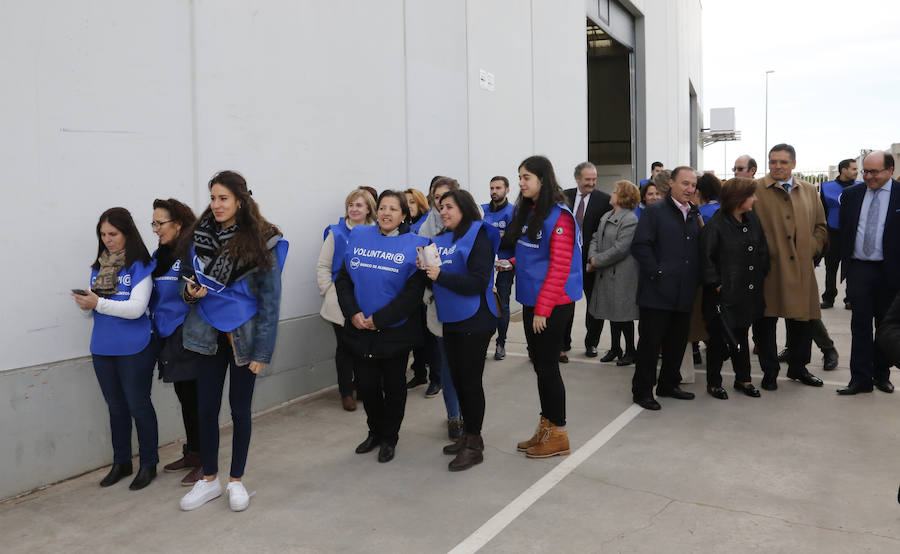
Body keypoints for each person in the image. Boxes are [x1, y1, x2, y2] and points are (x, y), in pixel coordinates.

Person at [178, 171, 288, 512]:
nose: (216, 204)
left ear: (240, 200)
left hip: (245, 336)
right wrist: (190, 293)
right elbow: (185, 283)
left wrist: (263, 351)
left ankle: (236, 481)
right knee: (207, 409)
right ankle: (209, 479)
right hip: (208, 333)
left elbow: (270, 301)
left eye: (223, 198)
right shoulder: (200, 236)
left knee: (240, 411)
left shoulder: (264, 239)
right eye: (212, 197)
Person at [335, 190, 428, 463]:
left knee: (394, 387)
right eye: (383, 207)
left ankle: (390, 437)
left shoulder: (417, 245)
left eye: (394, 209)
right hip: (359, 328)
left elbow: (413, 294)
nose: (386, 213)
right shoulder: (359, 236)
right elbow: (343, 280)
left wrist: (381, 318)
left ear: (403, 216)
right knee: (367, 386)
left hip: (394, 331)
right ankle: (374, 431)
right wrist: (352, 313)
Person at [71, 207, 159, 490]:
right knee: (116, 408)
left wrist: (97, 303)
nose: (107, 239)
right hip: (103, 347)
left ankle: (148, 464)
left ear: (127, 233)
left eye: (113, 234)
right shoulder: (99, 267)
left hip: (135, 348)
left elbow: (136, 309)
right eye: (103, 234)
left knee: (139, 405)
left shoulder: (140, 266)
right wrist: (86, 305)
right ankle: (122, 462)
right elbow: (93, 313)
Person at [508, 155, 582, 458]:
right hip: (532, 299)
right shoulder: (531, 212)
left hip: (550, 304)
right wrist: (508, 263)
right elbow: (533, 254)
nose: (521, 183)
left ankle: (559, 434)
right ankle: (546, 425)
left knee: (548, 368)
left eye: (526, 177)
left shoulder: (560, 216)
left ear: (543, 179)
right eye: (520, 177)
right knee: (540, 367)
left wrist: (543, 309)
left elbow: (560, 266)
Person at [425, 189, 499, 471]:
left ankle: (474, 444)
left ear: (465, 208)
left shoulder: (479, 235)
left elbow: (478, 282)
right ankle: (467, 434)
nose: (443, 212)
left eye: (449, 207)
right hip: (451, 318)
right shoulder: (442, 239)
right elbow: (436, 280)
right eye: (441, 207)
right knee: (457, 380)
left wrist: (440, 276)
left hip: (475, 319)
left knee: (470, 383)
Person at [751, 144, 827, 391]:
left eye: (783, 162)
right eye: (773, 162)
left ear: (793, 164)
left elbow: (820, 226)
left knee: (801, 322)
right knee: (766, 322)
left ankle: (798, 367)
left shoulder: (807, 190)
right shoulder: (756, 190)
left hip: (801, 267)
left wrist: (811, 248)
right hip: (768, 269)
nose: (777, 167)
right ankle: (770, 370)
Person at [630, 166, 702, 410]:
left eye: (693, 185)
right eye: (685, 183)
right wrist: (657, 273)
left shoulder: (693, 213)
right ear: (671, 183)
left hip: (684, 292)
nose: (689, 189)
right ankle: (642, 391)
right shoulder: (655, 211)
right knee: (650, 345)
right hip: (657, 292)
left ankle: (668, 384)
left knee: (677, 342)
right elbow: (640, 246)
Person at [699, 178, 769, 399]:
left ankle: (743, 379)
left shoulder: (752, 220)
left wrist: (760, 274)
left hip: (747, 292)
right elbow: (706, 260)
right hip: (723, 296)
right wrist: (718, 285)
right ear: (739, 199)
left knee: (742, 335)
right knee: (718, 340)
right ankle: (714, 382)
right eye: (751, 195)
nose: (755, 199)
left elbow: (762, 250)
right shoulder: (716, 226)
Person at [149, 198, 203, 486]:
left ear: (178, 224)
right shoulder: (161, 255)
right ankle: (193, 453)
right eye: (153, 223)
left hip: (188, 334)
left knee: (196, 400)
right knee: (185, 399)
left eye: (161, 223)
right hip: (168, 335)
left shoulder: (190, 254)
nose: (156, 229)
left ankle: (205, 461)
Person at [836, 151, 900, 395]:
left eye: (875, 172)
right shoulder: (852, 195)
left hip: (890, 271)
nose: (869, 177)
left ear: (890, 170)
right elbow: (845, 230)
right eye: (865, 171)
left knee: (885, 326)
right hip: (860, 268)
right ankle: (860, 379)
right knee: (860, 325)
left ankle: (881, 375)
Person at [317, 188, 376, 411]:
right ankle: (346, 392)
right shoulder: (336, 232)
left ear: (369, 208)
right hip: (339, 300)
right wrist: (328, 291)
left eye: (359, 205)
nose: (353, 209)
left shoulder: (378, 232)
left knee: (366, 346)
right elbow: (323, 266)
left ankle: (364, 387)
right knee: (344, 348)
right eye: (351, 205)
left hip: (368, 299)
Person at [587, 180, 640, 366]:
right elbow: (595, 237)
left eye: (615, 191)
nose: (611, 194)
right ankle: (615, 347)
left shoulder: (630, 219)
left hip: (621, 275)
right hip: (607, 272)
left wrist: (597, 261)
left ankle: (631, 350)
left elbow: (621, 249)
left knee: (623, 315)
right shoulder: (607, 215)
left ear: (623, 196)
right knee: (612, 311)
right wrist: (592, 257)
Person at [563, 162, 612, 360]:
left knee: (594, 305)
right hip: (566, 260)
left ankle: (592, 343)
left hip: (591, 262)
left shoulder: (604, 200)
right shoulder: (564, 197)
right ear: (577, 178)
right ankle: (563, 343)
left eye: (594, 179)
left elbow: (605, 233)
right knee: (565, 305)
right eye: (587, 180)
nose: (591, 183)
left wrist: (597, 259)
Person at [481, 176, 516, 360]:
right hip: (483, 265)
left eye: (498, 188)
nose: (494, 191)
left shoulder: (513, 212)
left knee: (502, 305)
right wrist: (499, 235)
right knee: (484, 306)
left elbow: (512, 240)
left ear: (507, 190)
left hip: (504, 266)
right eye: (492, 187)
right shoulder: (482, 210)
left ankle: (501, 342)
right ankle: (483, 342)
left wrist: (495, 237)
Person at [820, 158, 861, 309]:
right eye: (854, 169)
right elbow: (822, 211)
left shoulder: (861, 186)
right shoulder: (827, 187)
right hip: (833, 232)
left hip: (854, 233)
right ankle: (828, 297)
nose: (857, 172)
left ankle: (850, 298)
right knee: (831, 267)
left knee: (851, 267)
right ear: (843, 170)